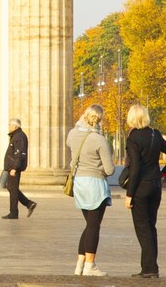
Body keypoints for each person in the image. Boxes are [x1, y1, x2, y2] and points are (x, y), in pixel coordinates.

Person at [124, 104, 166, 279]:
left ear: (132, 118)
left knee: (142, 228)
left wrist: (129, 194)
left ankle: (149, 268)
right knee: (150, 226)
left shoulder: (133, 138)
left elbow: (134, 169)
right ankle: (149, 266)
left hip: (141, 187)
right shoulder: (155, 134)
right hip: (156, 185)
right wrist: (164, 173)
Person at [67, 105, 115, 276]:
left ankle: (80, 264)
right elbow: (109, 170)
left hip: (79, 183)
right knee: (94, 226)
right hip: (95, 184)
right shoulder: (98, 139)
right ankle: (90, 265)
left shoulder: (72, 134)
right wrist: (101, 167)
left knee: (89, 225)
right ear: (99, 119)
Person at [2, 118, 37, 219]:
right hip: (12, 167)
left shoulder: (19, 136)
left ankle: (14, 212)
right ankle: (29, 204)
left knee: (12, 189)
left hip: (14, 168)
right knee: (11, 188)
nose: (8, 127)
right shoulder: (16, 136)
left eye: (9, 125)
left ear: (15, 126)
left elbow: (19, 154)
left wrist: (15, 168)